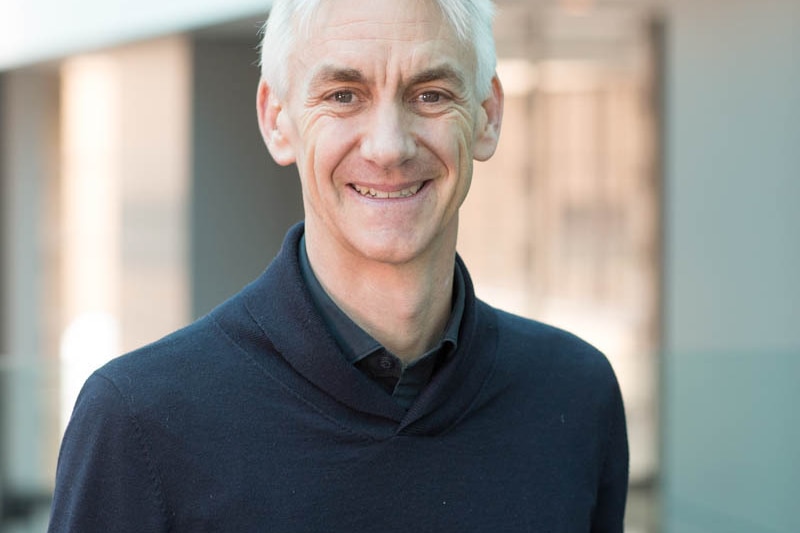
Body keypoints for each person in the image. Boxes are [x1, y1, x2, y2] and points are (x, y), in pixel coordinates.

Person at [48, 0, 628, 531]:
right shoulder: (140, 421)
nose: (388, 146)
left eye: (429, 93)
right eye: (343, 96)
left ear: (487, 115)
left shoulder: (574, 396)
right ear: (277, 119)